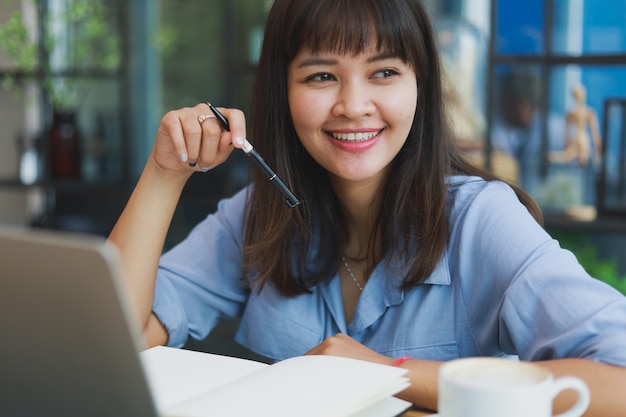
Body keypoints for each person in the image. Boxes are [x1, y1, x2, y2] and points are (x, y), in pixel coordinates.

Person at [108, 0, 626, 414]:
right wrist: (164, 172)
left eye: (383, 73)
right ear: (282, 92)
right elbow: (115, 343)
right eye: (320, 76)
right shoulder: (258, 215)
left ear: (418, 85)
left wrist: (388, 373)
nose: (354, 105)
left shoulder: (482, 220)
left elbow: (619, 381)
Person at [549, 84, 603, 166]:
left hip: (584, 140)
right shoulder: (571, 113)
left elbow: (595, 133)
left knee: (576, 155)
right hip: (577, 141)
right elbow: (566, 134)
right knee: (568, 156)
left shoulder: (589, 112)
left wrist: (598, 151)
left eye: (580, 95)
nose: (579, 97)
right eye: (577, 95)